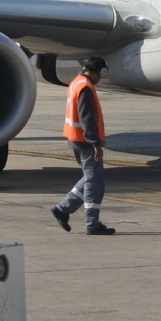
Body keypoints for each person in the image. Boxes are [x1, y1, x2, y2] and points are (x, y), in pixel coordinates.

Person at [52, 56, 115, 235]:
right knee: (95, 184)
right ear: (96, 71)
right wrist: (96, 144)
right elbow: (87, 119)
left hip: (76, 139)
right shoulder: (85, 88)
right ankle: (92, 224)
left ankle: (63, 209)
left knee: (89, 178)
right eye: (101, 73)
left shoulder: (77, 82)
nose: (101, 77)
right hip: (85, 142)